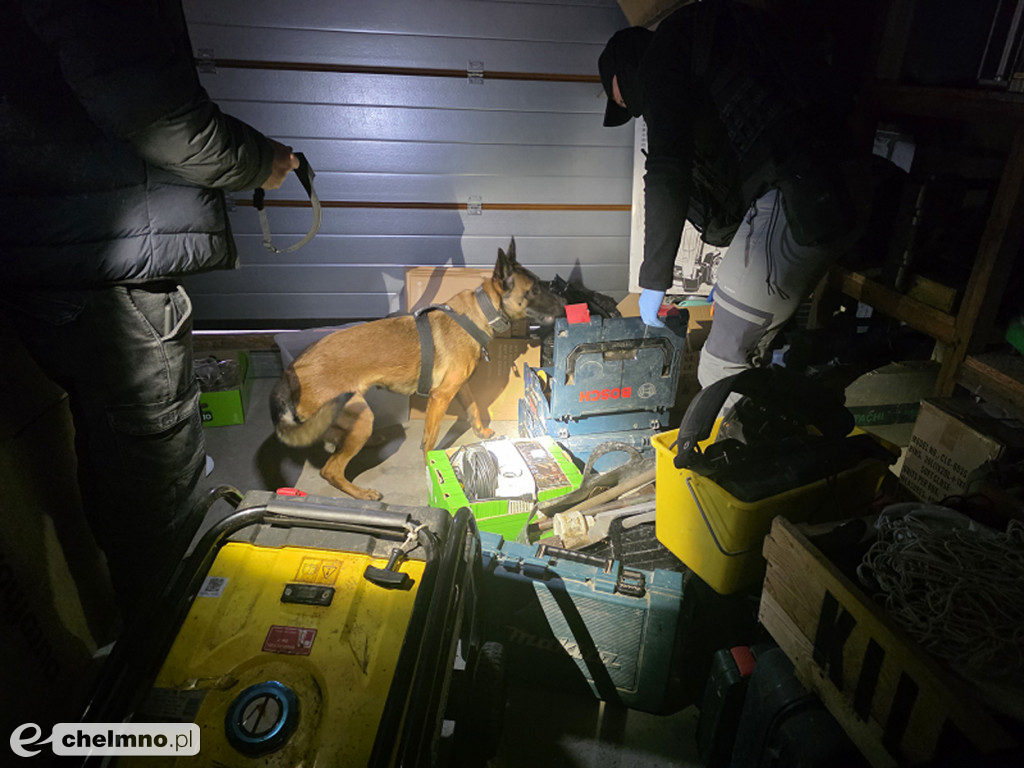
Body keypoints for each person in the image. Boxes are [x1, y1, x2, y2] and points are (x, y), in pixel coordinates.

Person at [0, 0, 298, 615]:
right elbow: (153, 109)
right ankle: (170, 642)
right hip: (106, 274)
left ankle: (129, 615)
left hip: (52, 250)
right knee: (158, 475)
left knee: (110, 452)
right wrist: (256, 159)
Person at [599, 0, 870, 389]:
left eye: (621, 99)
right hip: (843, 182)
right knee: (757, 351)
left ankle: (726, 448)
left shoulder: (661, 58)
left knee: (721, 368)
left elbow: (666, 168)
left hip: (801, 195)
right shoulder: (718, 36)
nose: (632, 109)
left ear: (623, 67)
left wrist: (654, 279)